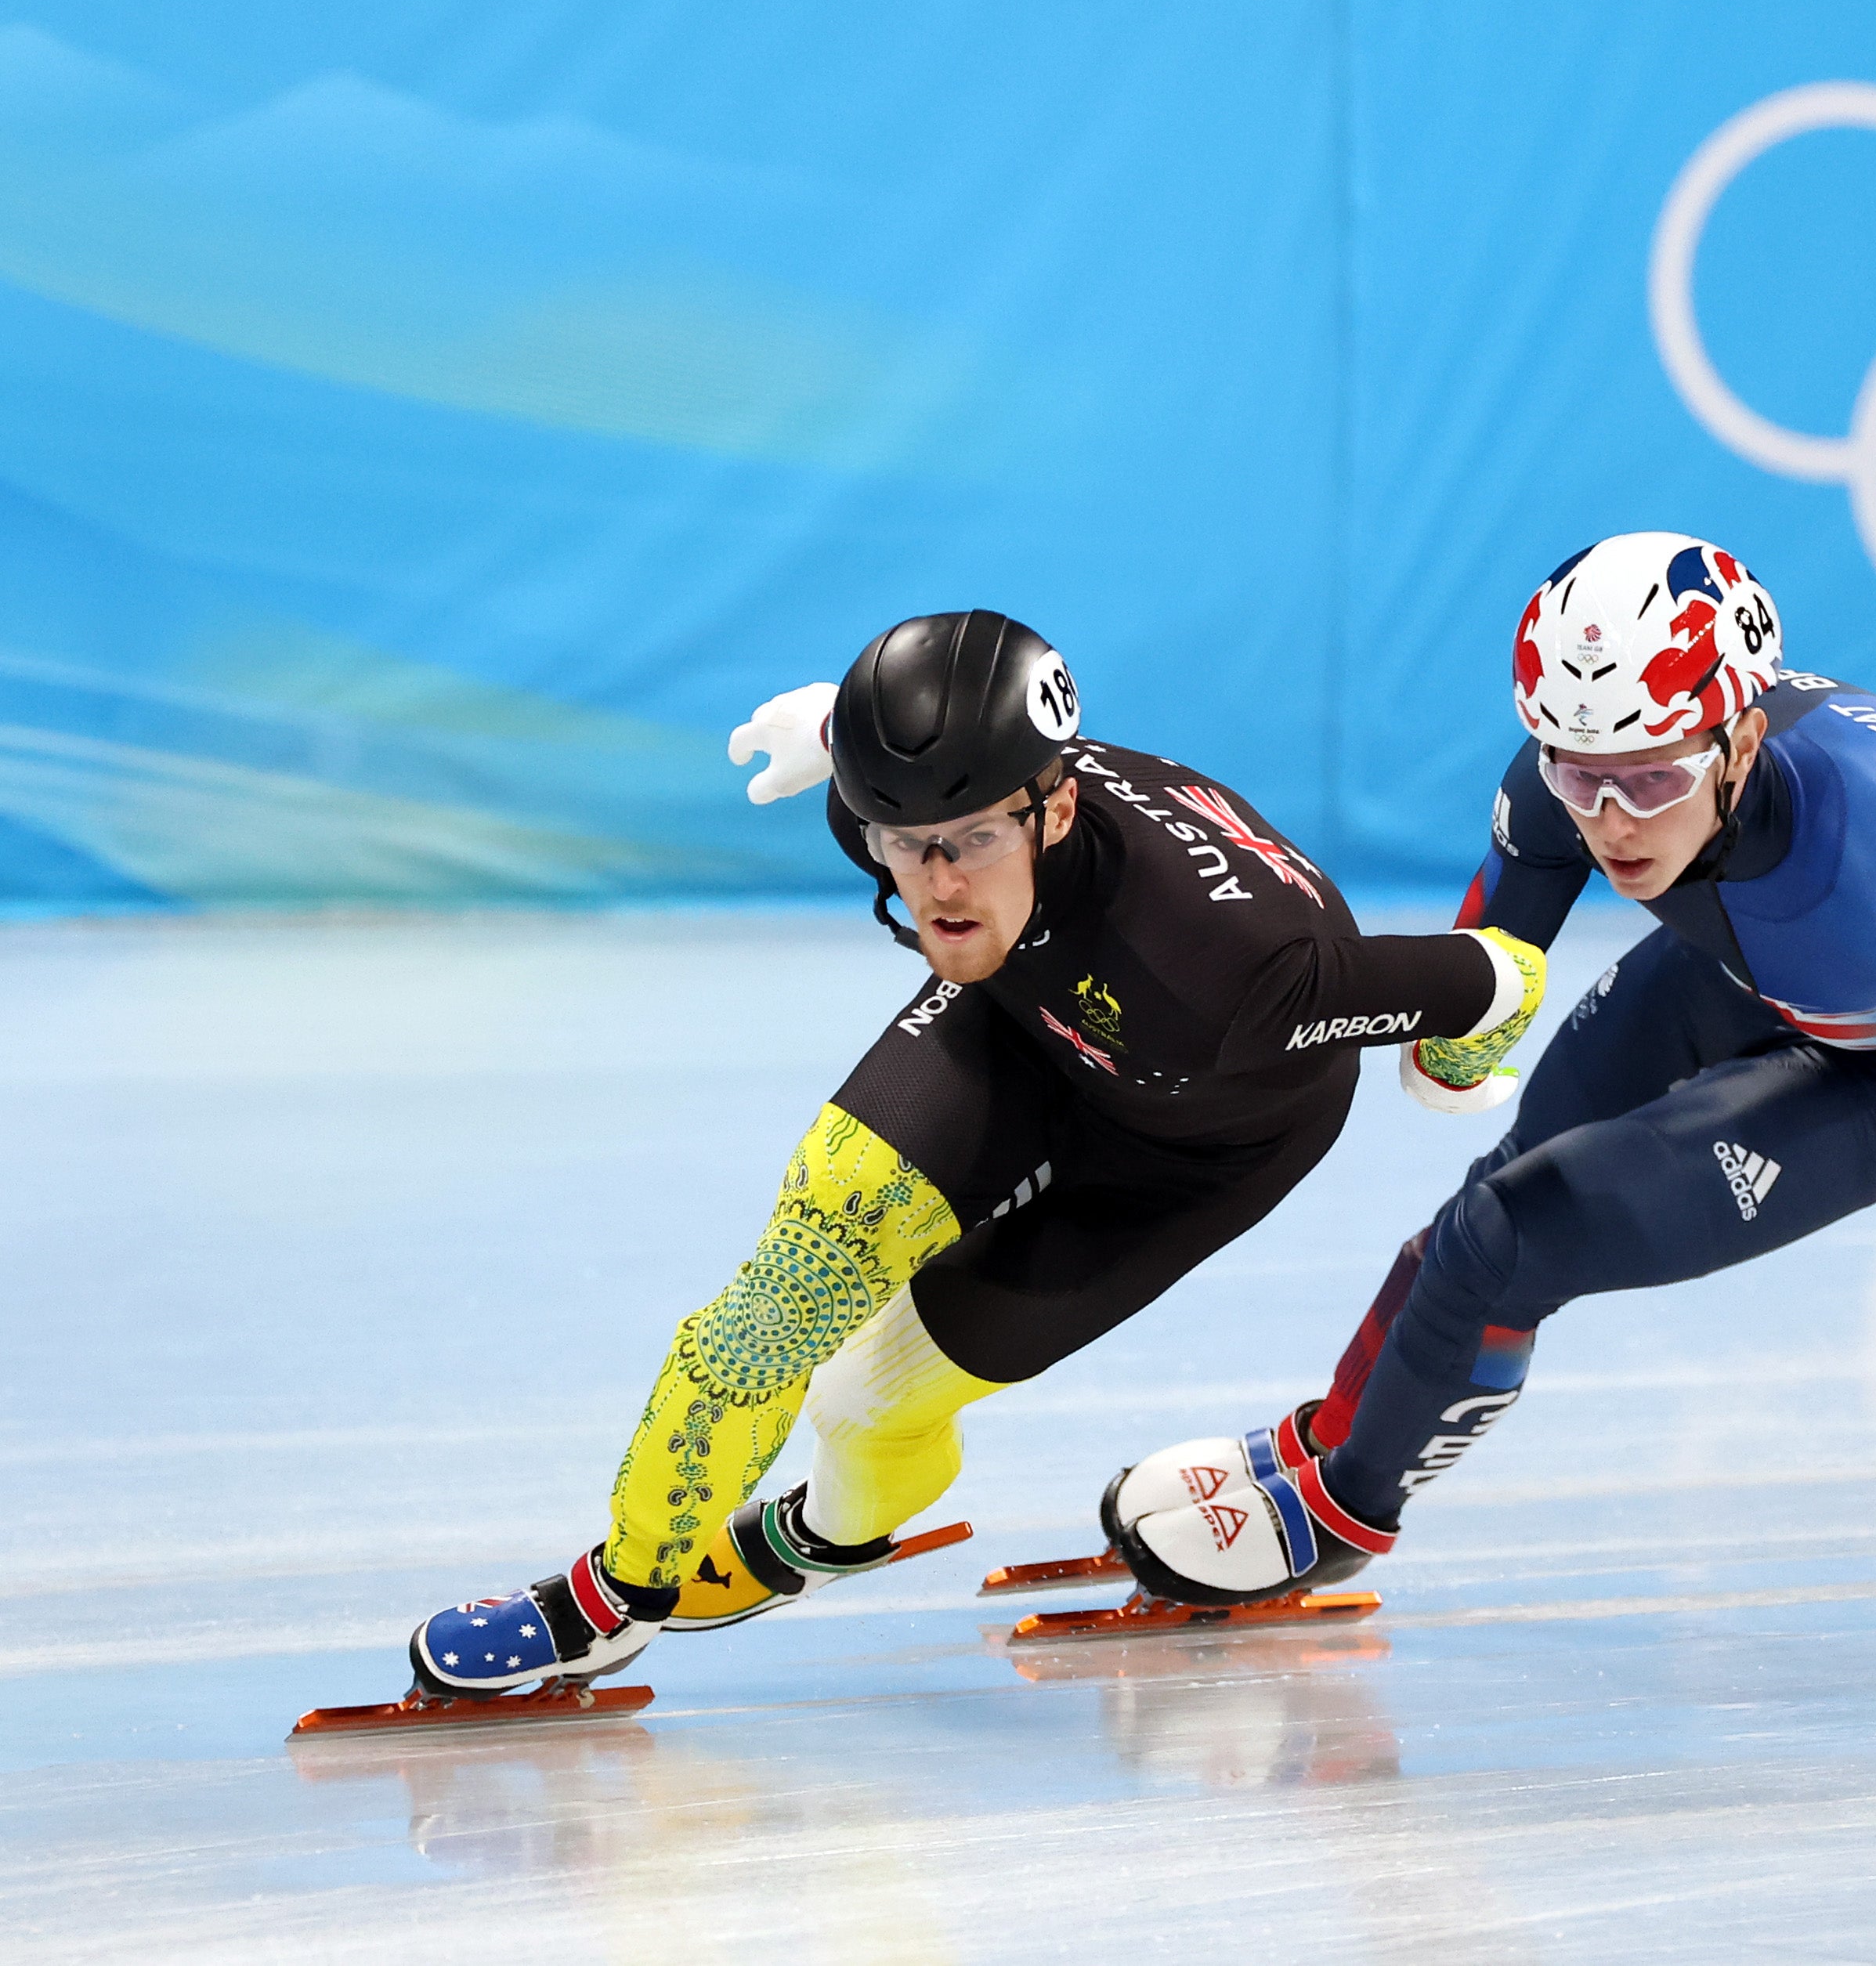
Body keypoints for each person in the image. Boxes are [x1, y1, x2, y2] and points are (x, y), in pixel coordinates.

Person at [406, 609, 1545, 1697]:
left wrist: (1453, 1068)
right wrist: (837, 740)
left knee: (864, 1405)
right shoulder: (892, 809)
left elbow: (1499, 972)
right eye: (907, 845)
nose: (939, 882)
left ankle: (827, 1533)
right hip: (1022, 1026)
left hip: (1197, 1138)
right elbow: (918, 809)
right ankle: (616, 1595)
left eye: (972, 841)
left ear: (1054, 808)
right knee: (788, 1285)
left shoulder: (1234, 970)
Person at [1097, 533, 1876, 1604]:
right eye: (1581, 776)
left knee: (1510, 1237)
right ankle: (1339, 1427)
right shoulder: (1567, 770)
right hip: (1748, 961)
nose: (1612, 822)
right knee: (1489, 1195)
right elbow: (1499, 954)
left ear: (1744, 741)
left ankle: (1339, 1516)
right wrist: (1454, 1040)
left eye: (1654, 780)